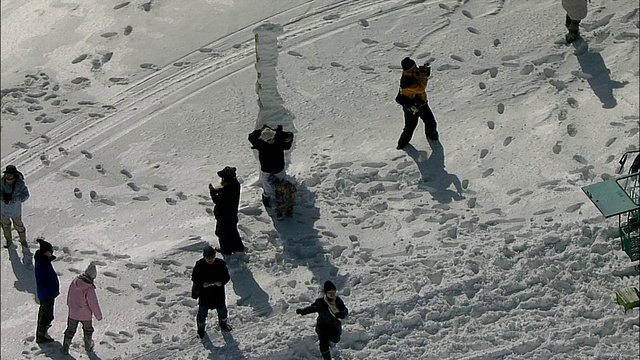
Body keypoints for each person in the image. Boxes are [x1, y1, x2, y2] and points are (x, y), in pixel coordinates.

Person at [296, 281, 349, 360]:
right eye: (330, 293)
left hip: (334, 326)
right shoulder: (320, 303)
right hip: (322, 327)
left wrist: (342, 314)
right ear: (326, 293)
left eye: (333, 292)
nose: (332, 295)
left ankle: (331, 343)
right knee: (323, 345)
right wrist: (302, 311)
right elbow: (312, 308)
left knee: (335, 339)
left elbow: (345, 310)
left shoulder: (338, 301)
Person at [394, 57, 439, 150]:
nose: (416, 68)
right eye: (414, 67)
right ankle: (401, 146)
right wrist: (424, 75)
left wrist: (422, 72)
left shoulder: (412, 73)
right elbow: (420, 88)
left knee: (431, 122)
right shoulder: (406, 82)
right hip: (411, 107)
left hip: (421, 104)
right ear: (410, 69)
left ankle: (432, 136)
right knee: (410, 128)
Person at [191, 245, 232, 339]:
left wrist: (221, 282)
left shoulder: (220, 263)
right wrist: (202, 284)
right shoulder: (199, 265)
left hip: (218, 293)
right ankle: (201, 329)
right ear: (204, 257)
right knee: (202, 313)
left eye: (212, 257)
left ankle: (223, 323)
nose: (210, 260)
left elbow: (226, 276)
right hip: (205, 294)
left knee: (222, 310)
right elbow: (194, 278)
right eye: (208, 258)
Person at [248, 125, 294, 207]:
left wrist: (278, 132)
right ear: (263, 139)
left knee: (281, 185)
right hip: (267, 171)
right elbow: (251, 137)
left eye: (272, 137)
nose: (271, 140)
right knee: (267, 188)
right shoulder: (260, 144)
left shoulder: (278, 141)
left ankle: (280, 198)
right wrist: (262, 131)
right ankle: (266, 197)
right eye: (268, 139)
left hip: (279, 169)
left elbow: (288, 141)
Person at [62, 262, 103, 354]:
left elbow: (70, 296)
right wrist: (98, 316)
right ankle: (88, 346)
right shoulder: (89, 288)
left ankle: (65, 347)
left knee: (70, 330)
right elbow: (93, 304)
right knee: (88, 330)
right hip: (85, 315)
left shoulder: (75, 281)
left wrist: (70, 306)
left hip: (73, 313)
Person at [209, 166, 245, 255]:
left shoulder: (226, 190)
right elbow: (225, 191)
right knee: (232, 231)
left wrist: (212, 192)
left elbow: (217, 200)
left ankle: (226, 250)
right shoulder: (235, 185)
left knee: (221, 233)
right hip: (232, 215)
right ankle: (238, 247)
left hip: (224, 217)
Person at [34, 238, 60, 343]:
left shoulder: (43, 259)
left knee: (45, 313)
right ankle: (41, 336)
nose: (52, 253)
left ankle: (43, 328)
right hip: (47, 293)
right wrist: (50, 289)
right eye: (50, 251)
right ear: (45, 252)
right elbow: (42, 279)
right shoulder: (42, 264)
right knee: (46, 315)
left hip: (47, 293)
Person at [1, 165, 30, 248]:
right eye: (7, 174)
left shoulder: (20, 184)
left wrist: (14, 199)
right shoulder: (1, 182)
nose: (8, 176)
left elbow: (26, 195)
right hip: (3, 210)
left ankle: (23, 240)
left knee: (19, 226)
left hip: (15, 211)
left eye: (10, 174)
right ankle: (9, 241)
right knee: (5, 226)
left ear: (14, 175)